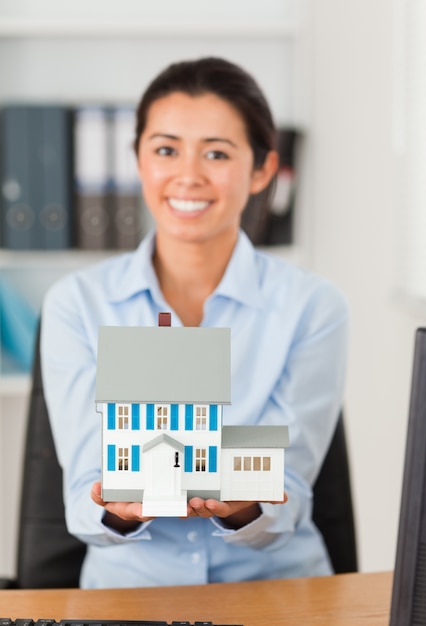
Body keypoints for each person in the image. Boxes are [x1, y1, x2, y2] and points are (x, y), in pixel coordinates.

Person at [41, 57, 349, 589]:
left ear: (262, 170)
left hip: (275, 589)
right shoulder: (78, 303)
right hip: (130, 593)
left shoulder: (311, 306)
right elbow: (83, 495)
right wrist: (116, 508)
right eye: (165, 149)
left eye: (216, 153)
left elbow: (290, 489)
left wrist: (246, 507)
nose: (188, 175)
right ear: (138, 160)